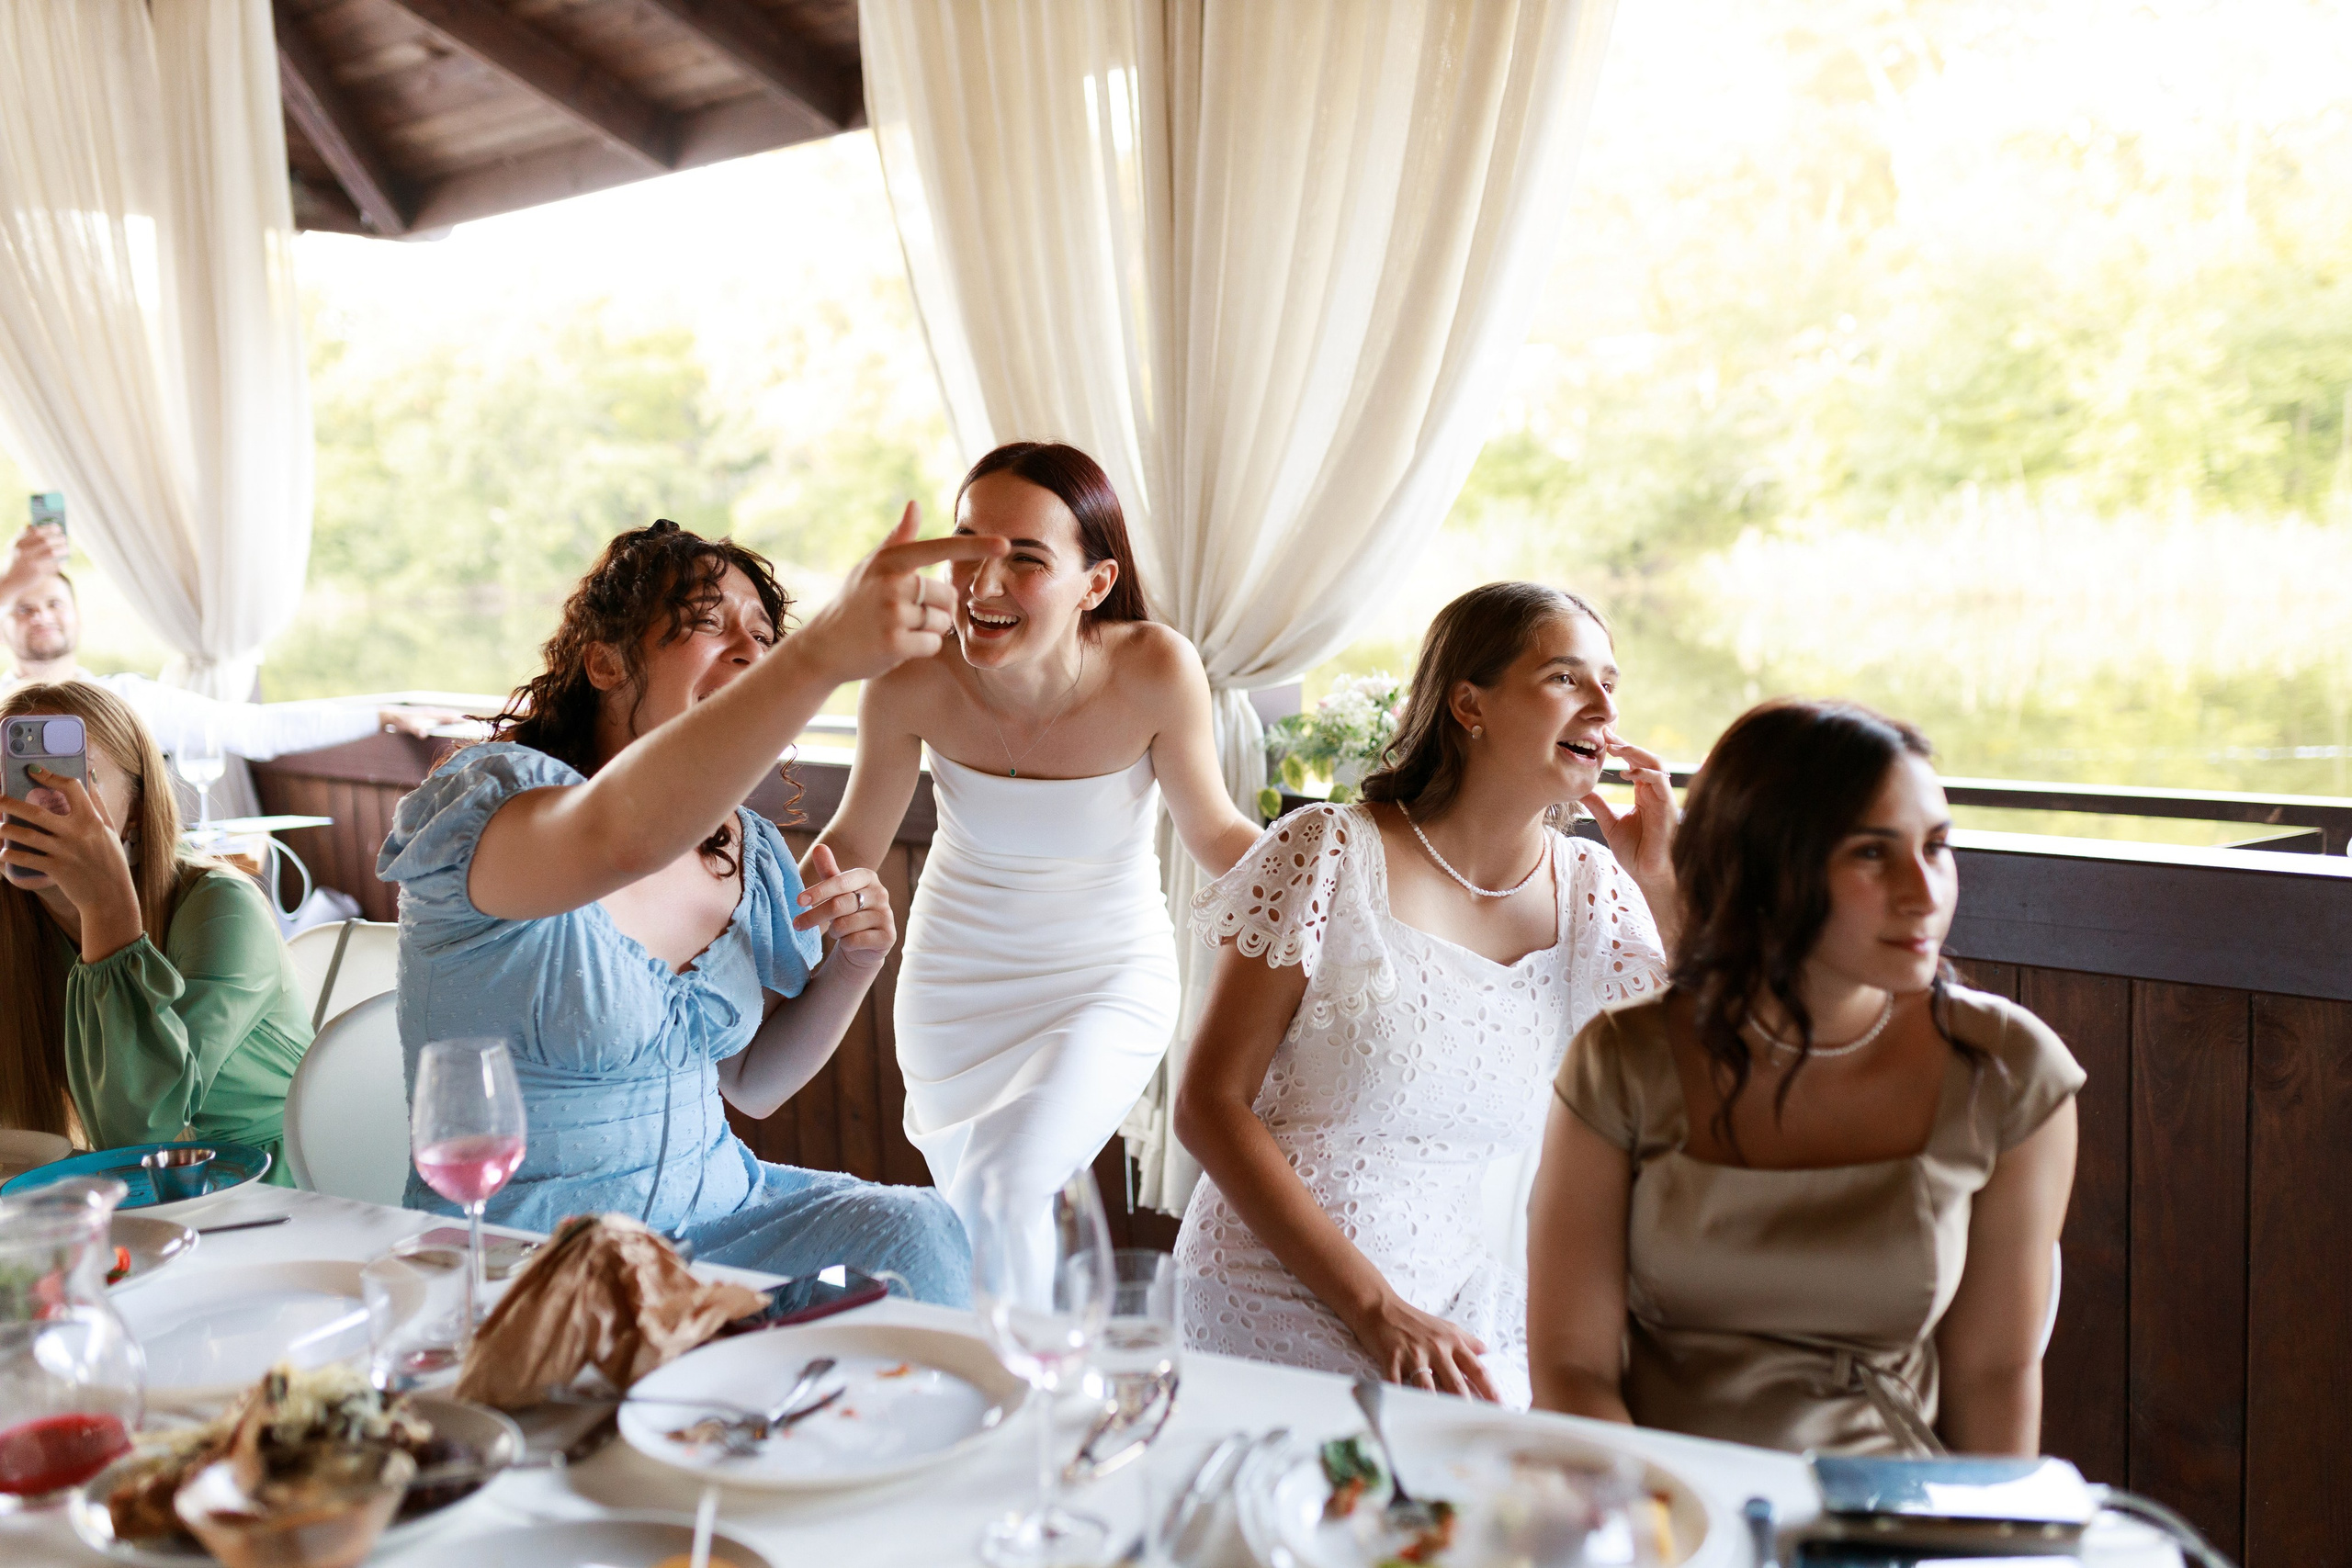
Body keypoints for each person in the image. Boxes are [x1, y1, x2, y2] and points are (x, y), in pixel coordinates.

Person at [377, 514, 1004, 1303]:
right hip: (533, 1253)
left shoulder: (743, 848)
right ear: (604, 661)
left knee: (922, 1233)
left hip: (721, 1221)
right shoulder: (494, 809)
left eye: (765, 636)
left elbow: (753, 1083)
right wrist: (822, 654)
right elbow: (617, 836)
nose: (749, 651)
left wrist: (855, 964)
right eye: (708, 623)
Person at [1527, 699, 2082, 1455]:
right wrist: (1661, 1511)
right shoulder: (1623, 1059)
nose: (1925, 893)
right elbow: (1572, 1369)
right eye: (1872, 853)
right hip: (1660, 1494)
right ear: (1765, 865)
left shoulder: (2008, 1069)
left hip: (1886, 1501)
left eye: (1937, 847)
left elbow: (1994, 1373)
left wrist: (1975, 1525)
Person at [1170, 582, 1679, 1408]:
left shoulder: (1595, 889)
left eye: (1609, 683)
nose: (1602, 707)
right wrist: (1375, 1309)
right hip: (1275, 1283)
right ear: (1469, 705)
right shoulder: (1327, 851)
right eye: (1564, 677)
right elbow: (1207, 1104)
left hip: (1458, 1296)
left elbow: (1696, 1073)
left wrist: (1661, 886)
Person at [813, 443, 1260, 1250]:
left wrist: (1347, 874)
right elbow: (850, 843)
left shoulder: (1155, 667)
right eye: (967, 549)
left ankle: (1016, 1335)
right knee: (987, 1215)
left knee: (1006, 1185)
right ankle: (1023, 1332)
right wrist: (727, 890)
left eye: (1025, 558)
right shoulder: (909, 677)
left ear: (1096, 583)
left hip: (1106, 979)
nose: (982, 585)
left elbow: (1217, 833)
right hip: (952, 992)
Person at [0, 682, 309, 1179]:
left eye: (74, 777)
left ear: (138, 807)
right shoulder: (14, 924)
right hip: (120, 1193)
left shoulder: (222, 907)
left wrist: (105, 907)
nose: (35, 802)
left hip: (268, 1186)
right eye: (11, 777)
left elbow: (141, 1133)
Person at [1, 526, 448, 762]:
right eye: (23, 607)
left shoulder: (126, 701)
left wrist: (379, 715)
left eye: (54, 604)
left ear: (78, 616)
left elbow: (257, 729)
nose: (41, 616)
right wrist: (10, 581)